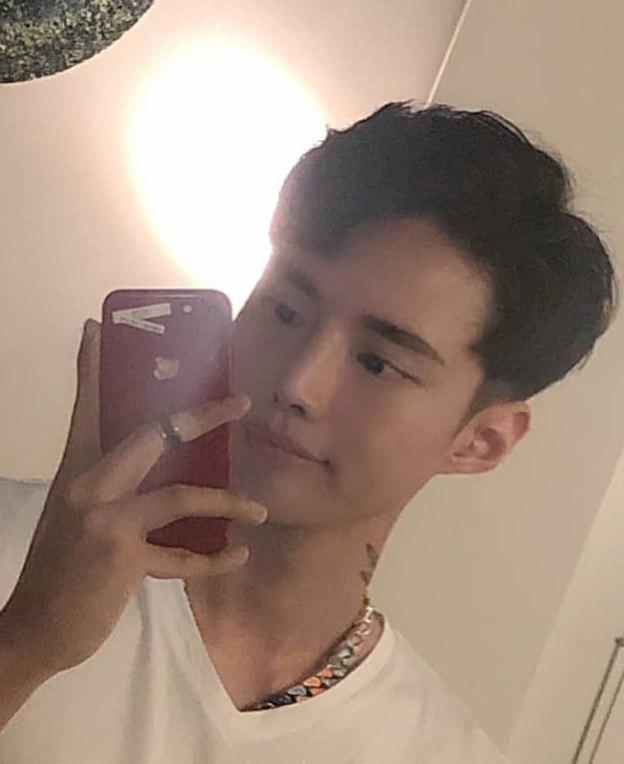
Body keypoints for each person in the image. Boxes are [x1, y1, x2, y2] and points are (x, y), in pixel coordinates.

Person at [0, 101, 618, 763]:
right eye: (285, 311)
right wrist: (27, 642)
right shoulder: (15, 545)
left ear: (481, 441)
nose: (299, 383)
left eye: (378, 363)